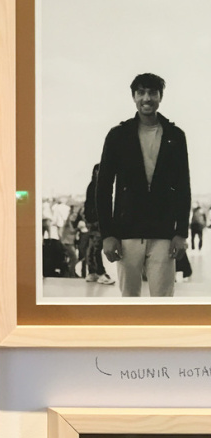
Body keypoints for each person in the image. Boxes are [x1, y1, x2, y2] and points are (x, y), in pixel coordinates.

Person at [96, 73, 191, 297]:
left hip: (163, 233)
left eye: (152, 93)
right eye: (141, 92)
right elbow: (104, 187)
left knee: (162, 302)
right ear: (134, 97)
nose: (146, 98)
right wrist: (107, 234)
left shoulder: (175, 136)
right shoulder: (118, 135)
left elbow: (183, 187)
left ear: (160, 97)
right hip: (127, 232)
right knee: (129, 301)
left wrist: (181, 233)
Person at [83, 163, 114, 285]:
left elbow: (87, 205)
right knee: (96, 247)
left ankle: (92, 272)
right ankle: (101, 273)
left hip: (92, 221)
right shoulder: (98, 186)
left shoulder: (92, 185)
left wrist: (88, 219)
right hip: (96, 222)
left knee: (92, 247)